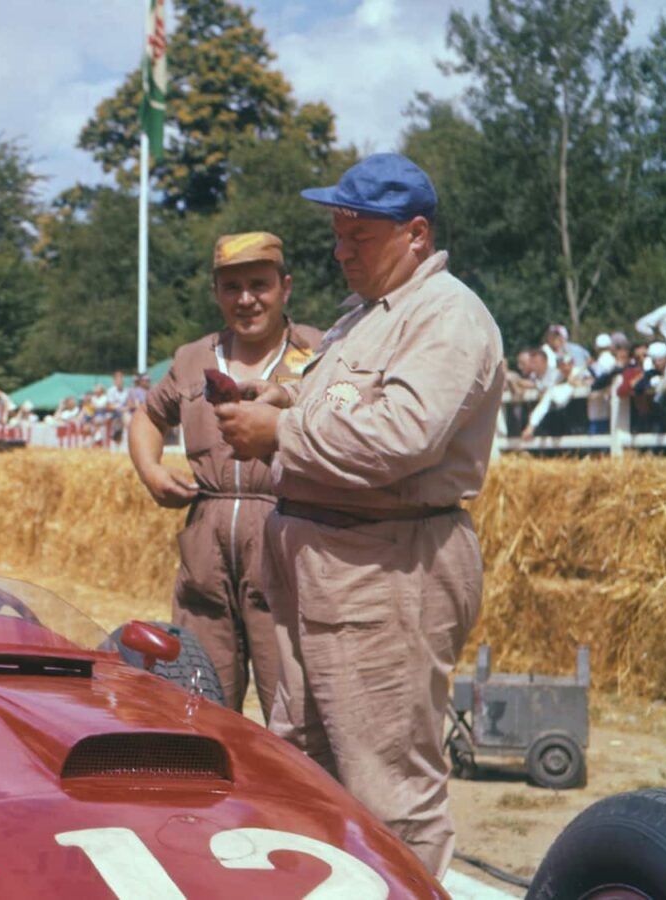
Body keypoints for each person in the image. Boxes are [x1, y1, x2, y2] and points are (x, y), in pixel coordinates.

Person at [213, 154, 505, 878]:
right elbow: (349, 408)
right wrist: (285, 403)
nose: (340, 251)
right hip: (334, 563)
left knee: (387, 789)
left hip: (385, 566)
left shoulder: (446, 317)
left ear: (414, 234)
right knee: (308, 762)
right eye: (338, 235)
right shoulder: (368, 317)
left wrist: (279, 433)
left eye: (357, 237)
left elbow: (401, 438)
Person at [131, 231, 321, 722]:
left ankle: (292, 795)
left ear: (286, 287)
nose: (246, 299)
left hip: (286, 533)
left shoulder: (320, 354)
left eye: (259, 284)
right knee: (198, 698)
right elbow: (149, 416)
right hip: (205, 543)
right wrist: (151, 471)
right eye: (231, 287)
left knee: (294, 702)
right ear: (216, 292)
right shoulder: (193, 358)